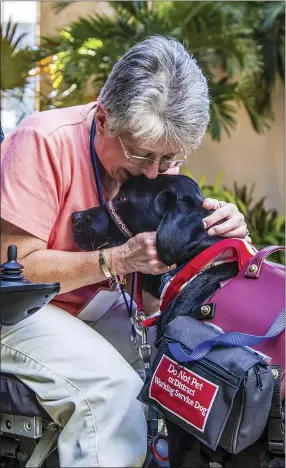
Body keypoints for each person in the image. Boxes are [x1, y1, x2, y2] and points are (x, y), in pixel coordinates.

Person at [1, 36, 249, 467]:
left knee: (184, 373)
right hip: (18, 308)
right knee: (113, 395)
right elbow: (15, 269)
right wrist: (114, 260)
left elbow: (173, 263)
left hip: (92, 307)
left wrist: (228, 234)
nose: (151, 172)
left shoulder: (153, 157)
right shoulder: (43, 141)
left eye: (169, 159)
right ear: (102, 119)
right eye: (139, 154)